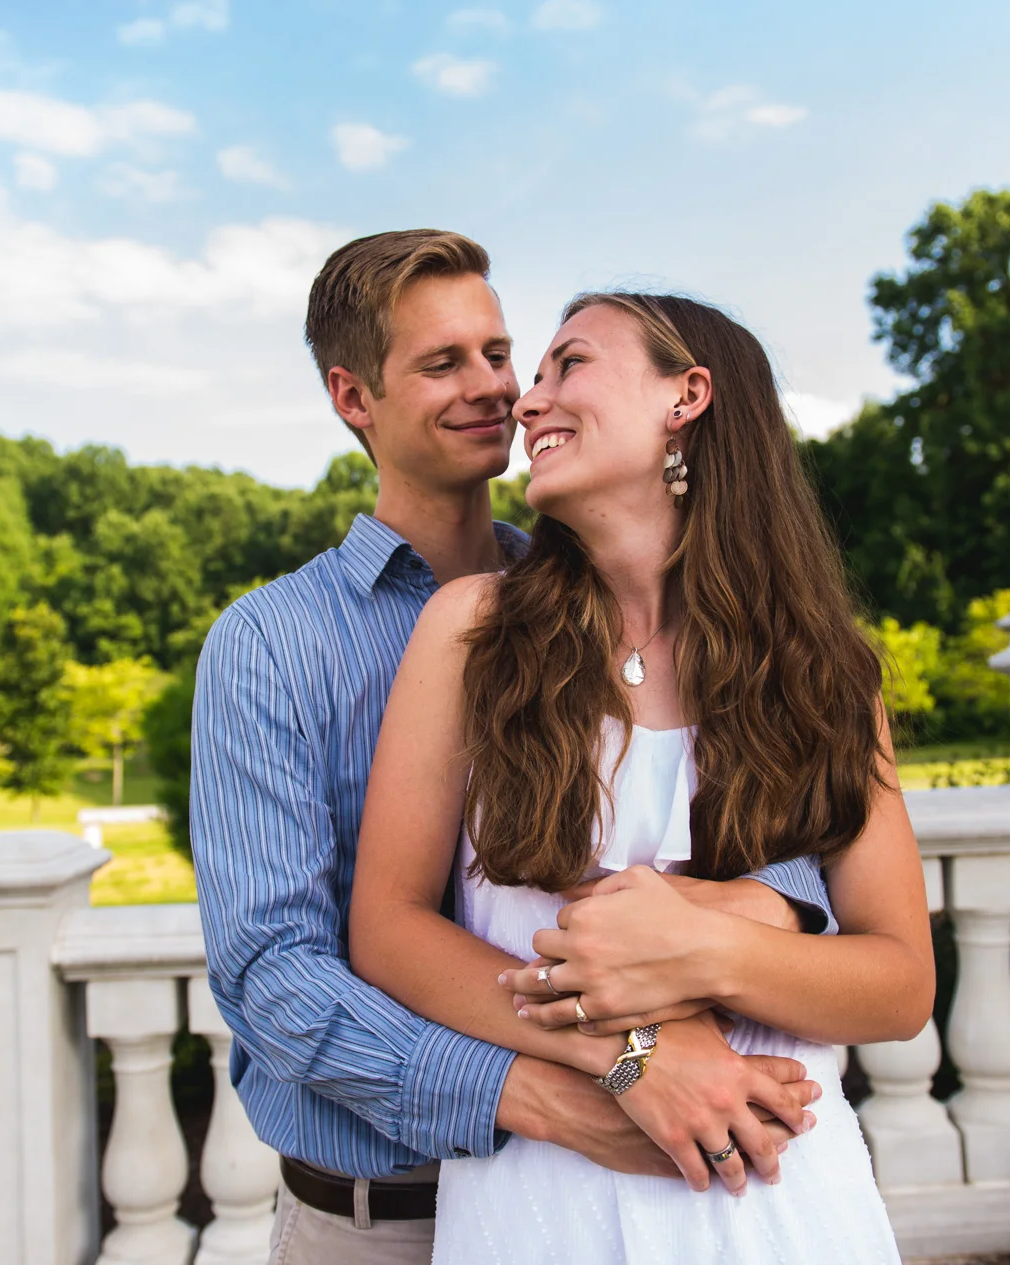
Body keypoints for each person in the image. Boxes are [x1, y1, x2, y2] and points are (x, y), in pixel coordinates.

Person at [193, 232, 838, 1265]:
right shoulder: (271, 643)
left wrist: (763, 900)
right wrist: (577, 1083)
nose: (494, 387)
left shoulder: (602, 602)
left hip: (617, 1181)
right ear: (354, 399)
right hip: (386, 1209)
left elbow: (741, 801)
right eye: (443, 363)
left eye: (501, 353)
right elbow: (273, 974)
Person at [349, 291, 934, 1263]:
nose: (527, 403)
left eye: (566, 364)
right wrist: (634, 1050)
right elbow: (388, 926)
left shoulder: (826, 670)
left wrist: (701, 948)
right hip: (548, 1200)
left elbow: (900, 982)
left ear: (687, 396)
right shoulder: (471, 630)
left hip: (778, 1197)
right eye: (534, 377)